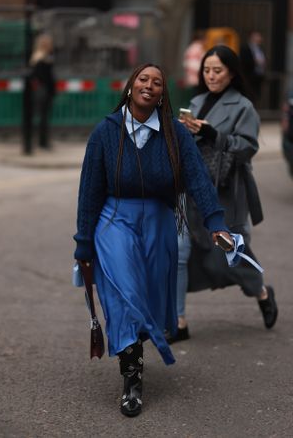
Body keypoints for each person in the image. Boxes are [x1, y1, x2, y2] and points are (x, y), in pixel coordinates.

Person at [73, 63, 232, 417]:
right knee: (122, 293)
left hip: (160, 222)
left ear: (163, 93)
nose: (149, 85)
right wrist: (84, 243)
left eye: (157, 82)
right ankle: (132, 379)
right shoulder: (105, 132)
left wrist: (215, 222)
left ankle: (136, 344)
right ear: (130, 87)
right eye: (143, 79)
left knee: (149, 301)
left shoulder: (175, 134)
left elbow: (197, 179)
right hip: (114, 220)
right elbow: (89, 191)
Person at [167, 45, 278, 345]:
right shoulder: (198, 100)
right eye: (207, 70)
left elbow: (248, 147)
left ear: (231, 73)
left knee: (229, 253)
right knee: (185, 252)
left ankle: (262, 292)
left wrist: (213, 134)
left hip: (227, 189)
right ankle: (178, 321)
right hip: (193, 188)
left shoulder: (243, 106)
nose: (211, 76)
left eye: (218, 70)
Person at [29, 33, 56, 151]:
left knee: (42, 117)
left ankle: (42, 141)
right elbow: (46, 77)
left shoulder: (37, 57)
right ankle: (43, 142)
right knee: (44, 117)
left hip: (41, 90)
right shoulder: (44, 59)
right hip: (45, 90)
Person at [240, 31, 266, 105]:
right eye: (257, 36)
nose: (260, 39)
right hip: (248, 76)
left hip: (258, 76)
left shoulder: (260, 49)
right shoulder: (245, 48)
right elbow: (244, 61)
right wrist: (255, 62)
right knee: (249, 94)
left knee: (256, 95)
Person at [182, 30, 206, 96]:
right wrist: (204, 70)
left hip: (191, 78)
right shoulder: (197, 48)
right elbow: (192, 63)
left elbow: (186, 63)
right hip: (197, 78)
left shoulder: (190, 48)